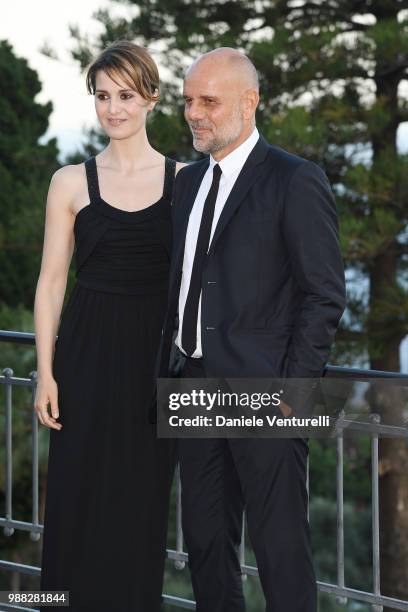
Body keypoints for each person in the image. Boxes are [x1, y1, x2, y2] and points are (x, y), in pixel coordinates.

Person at [159, 48, 346, 612]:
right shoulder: (187, 185)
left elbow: (324, 294)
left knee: (280, 551)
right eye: (189, 100)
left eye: (208, 101)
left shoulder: (296, 180)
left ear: (249, 102)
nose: (194, 113)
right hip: (193, 387)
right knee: (206, 544)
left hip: (269, 393)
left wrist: (294, 392)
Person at [34, 40, 183, 611]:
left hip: (154, 367)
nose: (113, 108)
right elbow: (50, 283)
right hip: (84, 359)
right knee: (74, 500)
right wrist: (46, 374)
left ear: (151, 97)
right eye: (102, 96)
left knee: (140, 507)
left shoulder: (185, 181)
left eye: (125, 95)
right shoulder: (69, 182)